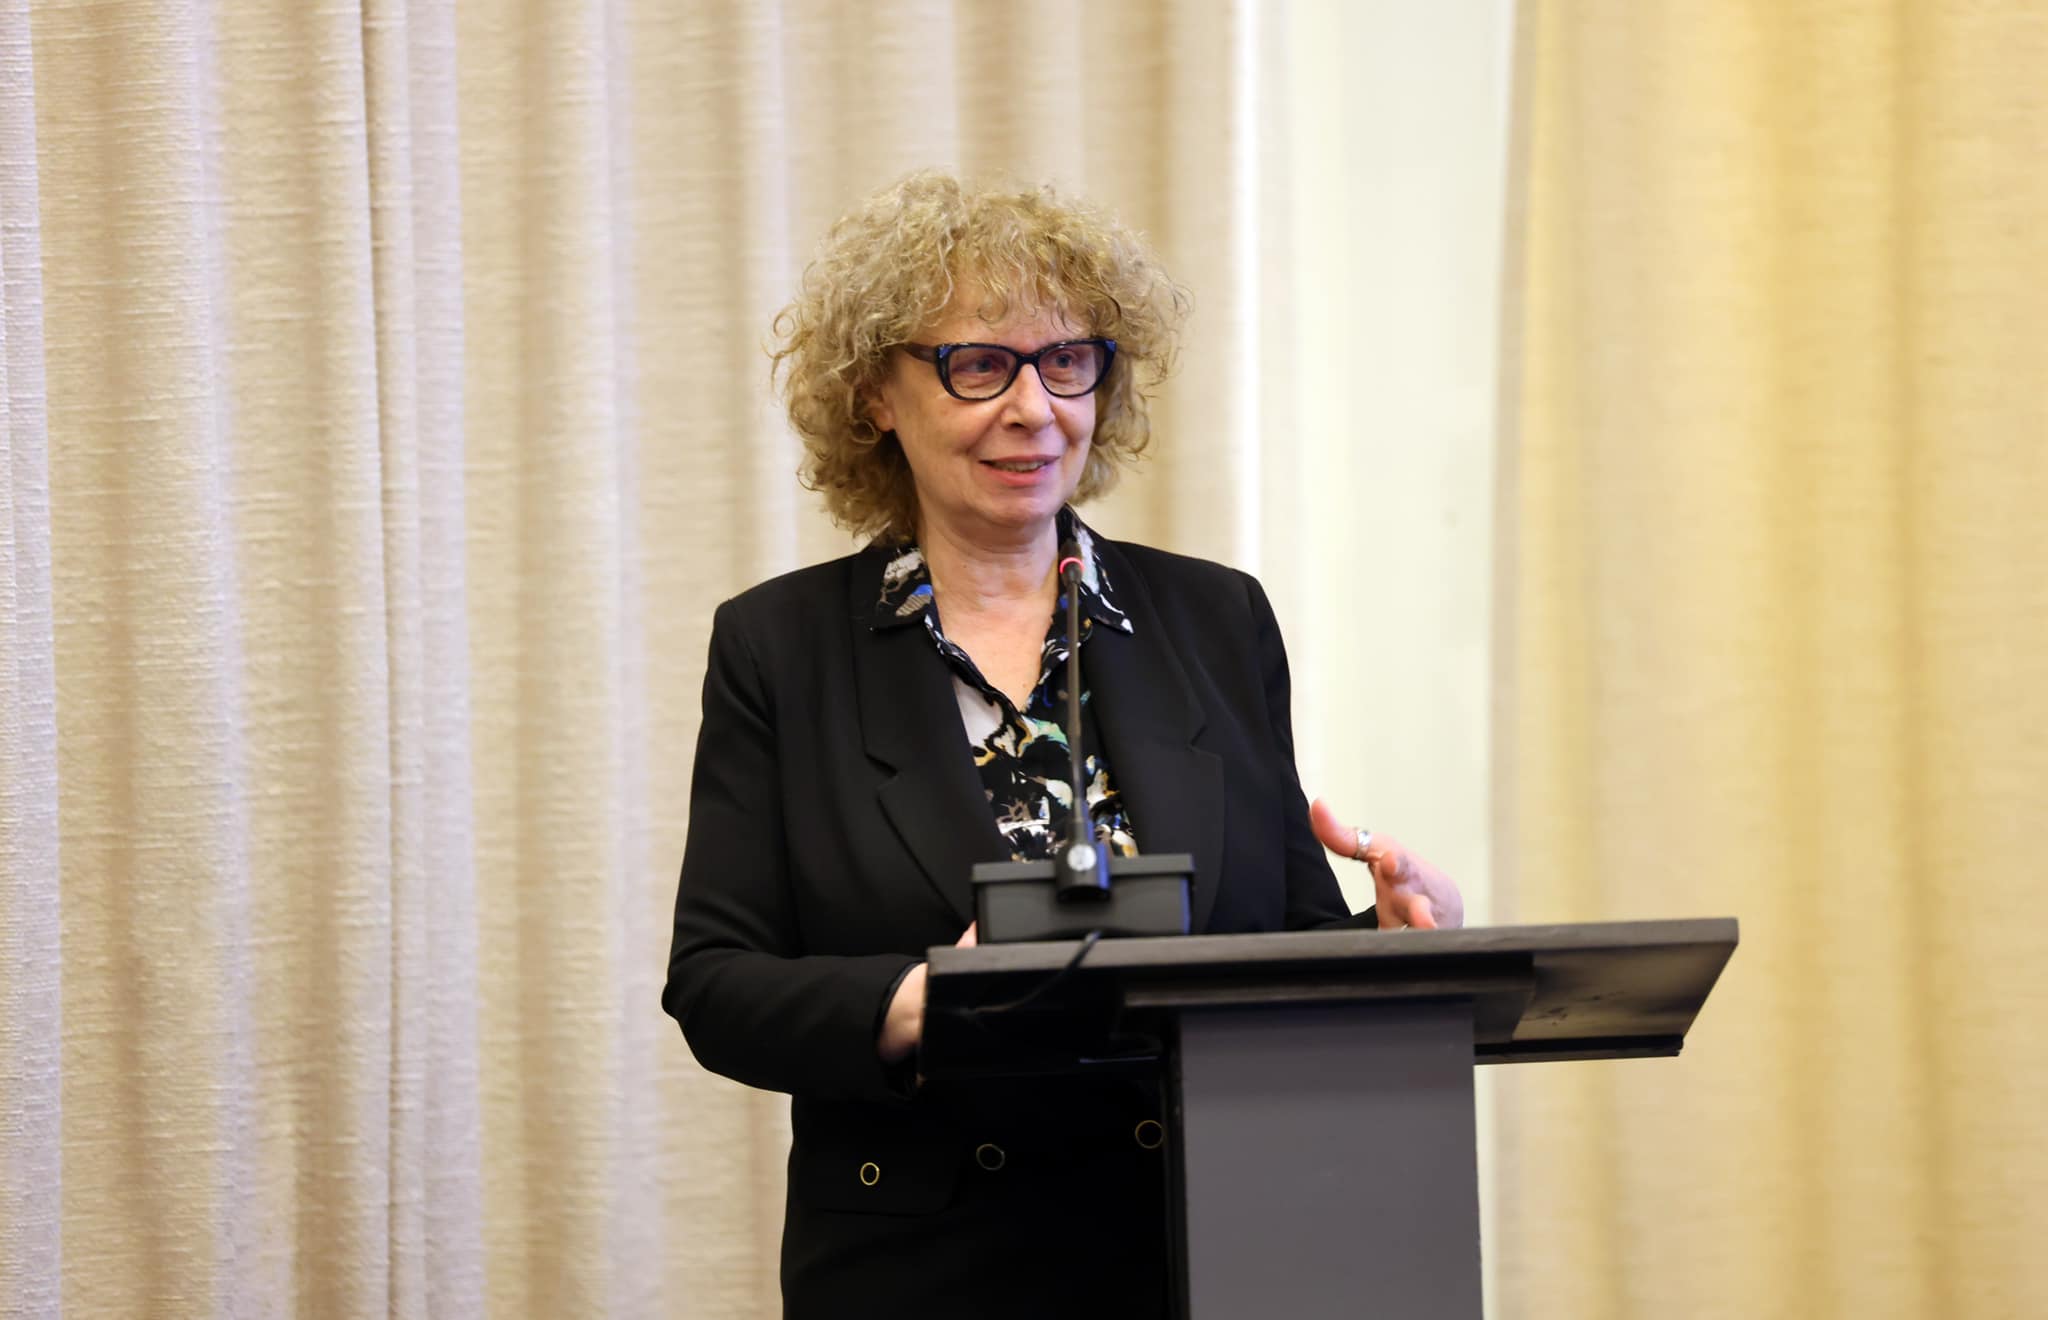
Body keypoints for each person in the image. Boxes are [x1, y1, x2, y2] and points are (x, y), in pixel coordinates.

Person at [662, 170, 1463, 1320]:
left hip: (1211, 1246)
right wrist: (927, 999)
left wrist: (1382, 945)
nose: (1034, 408)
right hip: (928, 1270)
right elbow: (716, 984)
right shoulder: (779, 648)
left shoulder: (1214, 619)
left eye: (1066, 360)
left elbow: (1273, 942)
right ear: (875, 394)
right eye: (978, 365)